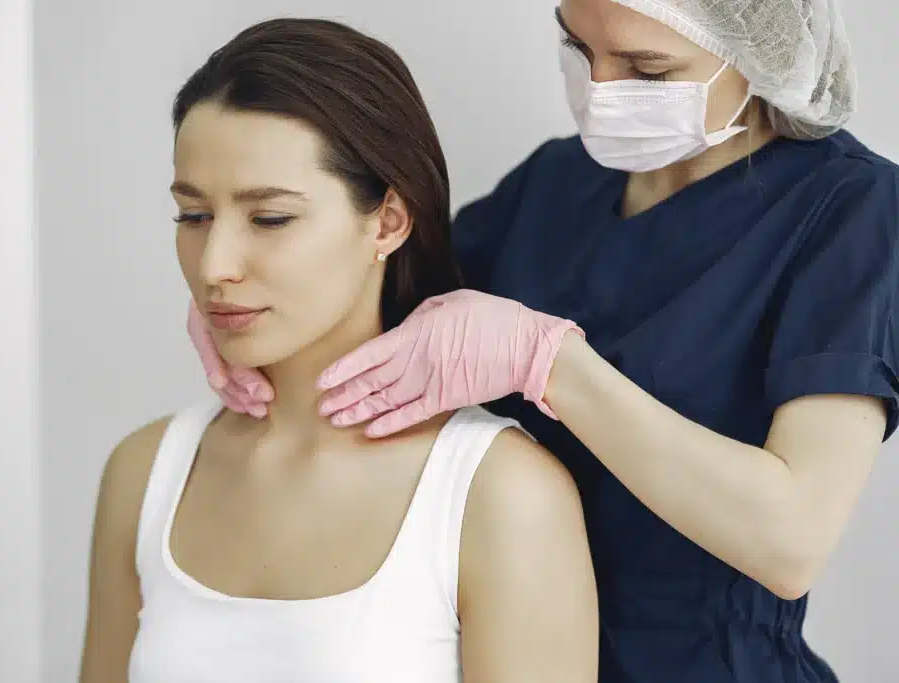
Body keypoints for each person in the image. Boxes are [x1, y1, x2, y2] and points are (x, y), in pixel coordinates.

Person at [188, 1, 899, 682]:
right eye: (578, 49)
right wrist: (256, 307)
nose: (602, 91)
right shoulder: (558, 182)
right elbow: (389, 306)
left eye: (646, 70)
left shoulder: (850, 213)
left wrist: (551, 364)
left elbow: (790, 539)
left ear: (760, 47)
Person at [80, 17, 599, 683]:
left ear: (387, 220)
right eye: (194, 216)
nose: (214, 265)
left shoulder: (499, 494)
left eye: (269, 218)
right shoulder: (147, 473)